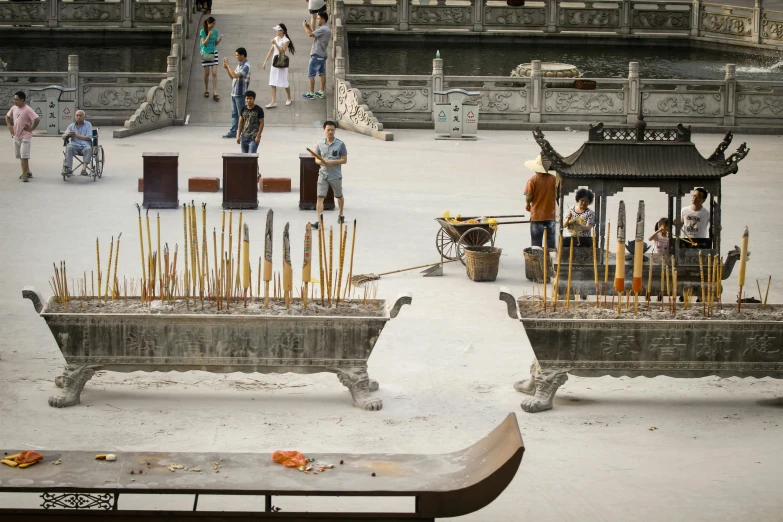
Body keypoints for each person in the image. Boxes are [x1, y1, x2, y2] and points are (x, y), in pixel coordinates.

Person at [310, 120, 347, 228]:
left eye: (332, 130)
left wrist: (331, 162)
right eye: (328, 130)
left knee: (339, 196)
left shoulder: (340, 144)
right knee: (320, 197)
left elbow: (344, 160)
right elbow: (316, 159)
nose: (330, 132)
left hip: (335, 176)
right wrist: (320, 162)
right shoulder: (320, 144)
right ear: (324, 130)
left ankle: (341, 214)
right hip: (323, 175)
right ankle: (319, 221)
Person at [5, 90, 40, 182]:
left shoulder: (28, 109)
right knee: (20, 155)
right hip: (16, 135)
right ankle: (27, 171)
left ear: (22, 100)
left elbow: (37, 119)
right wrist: (10, 126)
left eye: (17, 99)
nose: (15, 101)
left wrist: (31, 129)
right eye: (14, 99)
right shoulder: (14, 108)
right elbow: (7, 117)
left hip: (26, 136)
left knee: (24, 155)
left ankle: (24, 174)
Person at [524, 154, 557, 249]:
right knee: (551, 245)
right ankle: (549, 261)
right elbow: (558, 195)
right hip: (551, 216)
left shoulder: (532, 180)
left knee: (536, 245)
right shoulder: (554, 179)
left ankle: (537, 262)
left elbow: (528, 197)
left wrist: (527, 204)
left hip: (537, 216)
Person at [262, 24, 295, 108]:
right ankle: (273, 101)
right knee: (272, 81)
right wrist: (265, 61)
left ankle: (289, 97)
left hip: (282, 62)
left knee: (284, 82)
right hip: (274, 61)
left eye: (278, 30)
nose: (276, 32)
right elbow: (271, 50)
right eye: (276, 30)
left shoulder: (286, 40)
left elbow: (282, 51)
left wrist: (276, 44)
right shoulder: (276, 38)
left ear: (282, 31)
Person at [222, 47, 251, 139]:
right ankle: (233, 131)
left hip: (241, 93)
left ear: (243, 55)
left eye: (237, 55)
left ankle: (244, 132)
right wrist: (227, 68)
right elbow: (232, 77)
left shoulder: (246, 66)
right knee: (234, 114)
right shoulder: (239, 65)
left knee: (242, 114)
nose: (236, 57)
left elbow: (235, 75)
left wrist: (229, 65)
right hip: (234, 93)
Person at [302, 11, 330, 100]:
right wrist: (309, 27)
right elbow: (314, 35)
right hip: (322, 55)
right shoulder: (326, 29)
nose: (317, 20)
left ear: (323, 19)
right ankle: (321, 92)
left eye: (318, 19)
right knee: (322, 73)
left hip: (317, 55)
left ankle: (311, 93)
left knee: (311, 75)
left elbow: (310, 34)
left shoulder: (323, 29)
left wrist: (304, 27)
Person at [61, 109, 93, 177]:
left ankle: (84, 169)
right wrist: (67, 134)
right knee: (69, 147)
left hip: (85, 146)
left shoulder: (88, 124)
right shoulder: (71, 126)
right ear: (75, 116)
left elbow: (89, 137)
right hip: (74, 145)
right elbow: (63, 137)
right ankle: (68, 168)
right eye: (77, 115)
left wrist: (76, 135)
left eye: (80, 115)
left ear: (84, 117)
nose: (78, 117)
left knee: (89, 149)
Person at [200, 17, 222, 101]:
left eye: (214, 24)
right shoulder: (202, 31)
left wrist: (218, 40)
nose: (214, 25)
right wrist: (208, 35)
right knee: (207, 73)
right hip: (205, 52)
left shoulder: (215, 31)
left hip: (213, 52)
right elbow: (204, 44)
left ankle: (215, 92)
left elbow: (215, 43)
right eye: (213, 24)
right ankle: (206, 89)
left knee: (214, 73)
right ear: (208, 23)